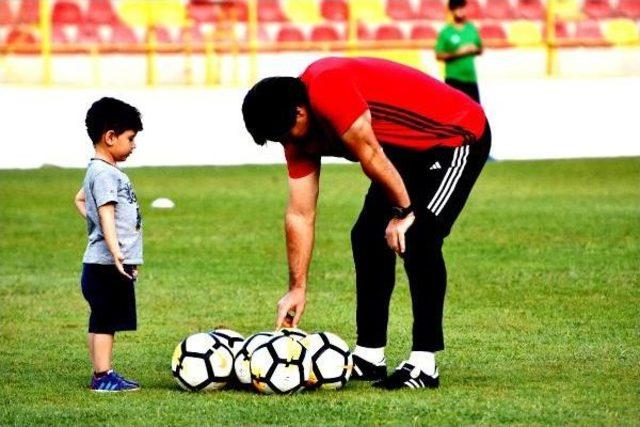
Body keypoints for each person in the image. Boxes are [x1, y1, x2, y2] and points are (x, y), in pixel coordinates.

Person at [241, 57, 491, 390]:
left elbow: (372, 155)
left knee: (418, 237)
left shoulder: (329, 89)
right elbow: (300, 213)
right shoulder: (293, 132)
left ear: (300, 112)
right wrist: (297, 286)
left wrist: (404, 213)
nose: (286, 143)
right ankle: (370, 355)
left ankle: (424, 363)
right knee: (367, 237)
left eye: (284, 134)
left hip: (454, 136)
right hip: (403, 152)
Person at [74, 97, 144, 392]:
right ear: (110, 137)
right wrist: (117, 251)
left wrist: (99, 233)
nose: (134, 145)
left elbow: (80, 199)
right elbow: (105, 211)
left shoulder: (101, 171)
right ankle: (103, 376)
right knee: (105, 320)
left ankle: (102, 373)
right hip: (106, 264)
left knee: (101, 318)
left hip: (100, 262)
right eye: (130, 138)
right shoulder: (104, 173)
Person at [435, 0, 483, 104]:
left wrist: (475, 49)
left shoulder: (471, 28)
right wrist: (459, 52)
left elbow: (480, 49)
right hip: (454, 78)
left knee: (477, 113)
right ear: (452, 11)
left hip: (471, 78)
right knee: (454, 112)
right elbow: (439, 55)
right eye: (458, 8)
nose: (461, 11)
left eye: (462, 7)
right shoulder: (446, 32)